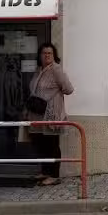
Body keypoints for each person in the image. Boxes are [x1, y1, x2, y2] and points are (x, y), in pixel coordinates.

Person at [26, 43, 74, 186]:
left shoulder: (56, 70)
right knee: (41, 143)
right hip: (38, 113)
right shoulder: (39, 70)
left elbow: (69, 89)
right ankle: (45, 171)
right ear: (40, 56)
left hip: (51, 113)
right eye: (44, 53)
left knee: (52, 144)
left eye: (50, 53)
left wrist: (54, 95)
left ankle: (54, 175)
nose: (47, 55)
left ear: (54, 56)